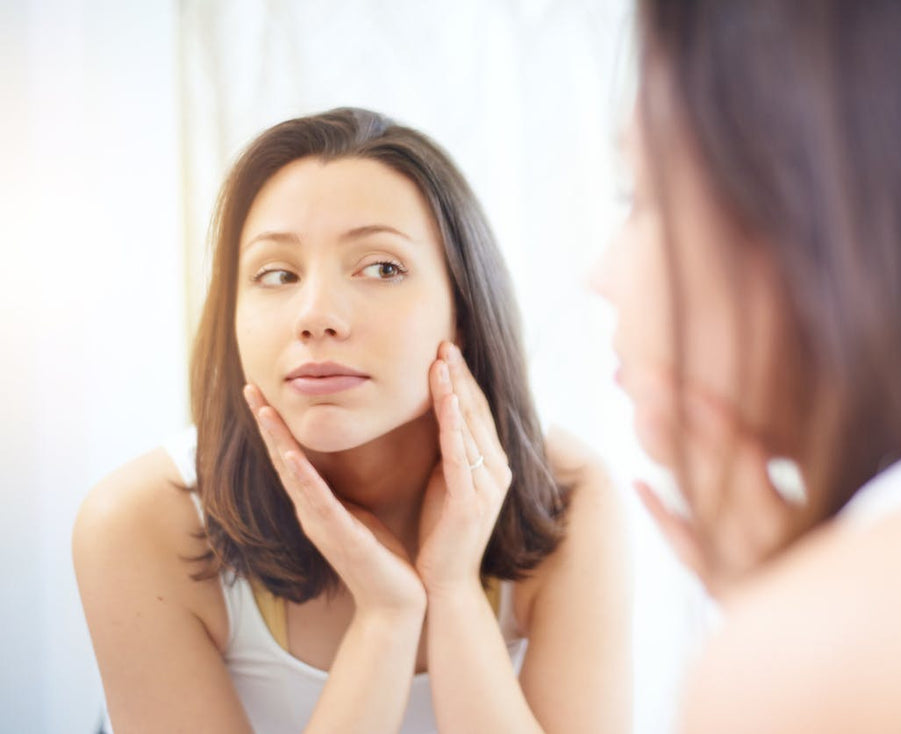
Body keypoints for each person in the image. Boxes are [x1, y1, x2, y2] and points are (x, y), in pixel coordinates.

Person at [593, 0, 901, 731]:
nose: (599, 276)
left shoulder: (858, 651)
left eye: (638, 199)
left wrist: (787, 646)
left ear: (810, 202)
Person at [73, 107, 630, 734]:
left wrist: (450, 591)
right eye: (276, 274)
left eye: (382, 268)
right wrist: (386, 618)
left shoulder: (569, 499)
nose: (316, 315)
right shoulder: (143, 521)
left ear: (464, 308)